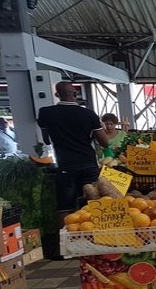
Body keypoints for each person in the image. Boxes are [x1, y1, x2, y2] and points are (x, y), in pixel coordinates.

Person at [37, 82, 108, 225]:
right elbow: (105, 142)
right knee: (94, 203)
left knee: (65, 206)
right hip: (88, 163)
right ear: (75, 94)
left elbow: (47, 140)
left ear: (57, 95)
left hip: (65, 165)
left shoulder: (46, 112)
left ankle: (66, 235)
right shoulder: (89, 114)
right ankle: (95, 234)